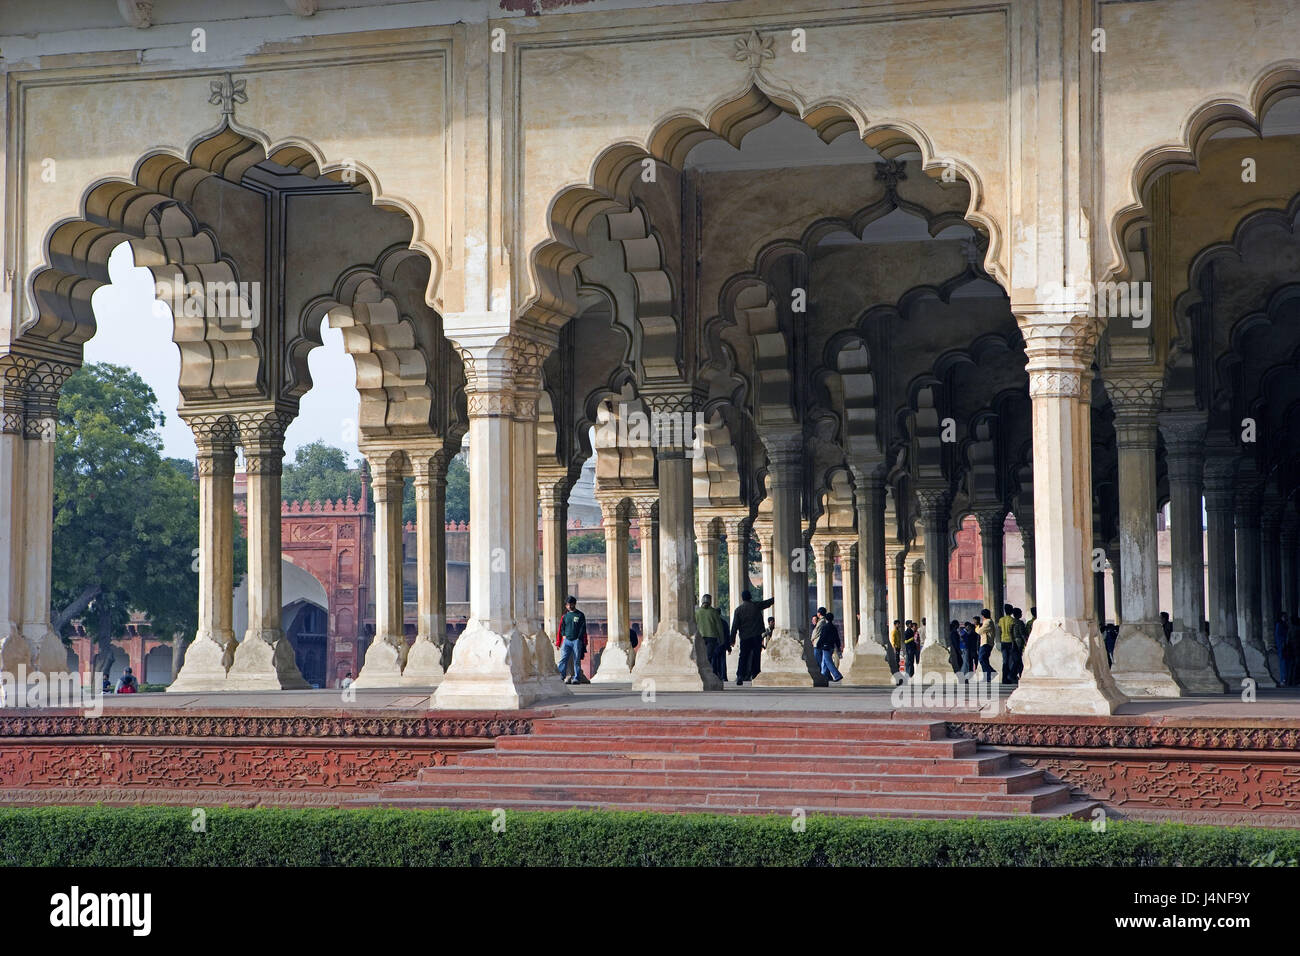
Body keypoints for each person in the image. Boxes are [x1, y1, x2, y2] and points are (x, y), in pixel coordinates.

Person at [730, 589, 774, 684]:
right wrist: (775, 598)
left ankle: (740, 675)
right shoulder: (755, 606)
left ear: (742, 598)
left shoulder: (738, 610)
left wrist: (732, 640)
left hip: (745, 637)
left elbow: (734, 626)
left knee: (743, 656)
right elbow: (766, 603)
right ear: (750, 597)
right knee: (756, 655)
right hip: (756, 635)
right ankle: (755, 674)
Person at [695, 593, 729, 682]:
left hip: (700, 637)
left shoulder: (697, 612)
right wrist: (721, 639)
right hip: (712, 638)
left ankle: (701, 674)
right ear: (710, 601)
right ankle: (709, 673)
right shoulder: (713, 612)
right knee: (709, 657)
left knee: (701, 656)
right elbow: (719, 627)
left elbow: (695, 625)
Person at [556, 595, 587, 684]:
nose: (569, 606)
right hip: (567, 640)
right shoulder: (565, 616)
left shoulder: (580, 615)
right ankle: (561, 675)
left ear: (574, 604)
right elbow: (562, 627)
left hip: (576, 640)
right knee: (563, 658)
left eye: (570, 604)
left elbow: (583, 628)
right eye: (567, 605)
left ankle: (576, 678)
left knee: (576, 660)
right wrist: (563, 636)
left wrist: (579, 638)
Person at [813, 610, 843, 683]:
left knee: (828, 662)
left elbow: (822, 637)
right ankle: (824, 676)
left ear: (826, 619)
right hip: (831, 646)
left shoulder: (825, 627)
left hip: (826, 646)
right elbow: (837, 638)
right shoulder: (833, 627)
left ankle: (837, 675)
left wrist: (819, 644)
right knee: (824, 662)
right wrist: (838, 647)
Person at [997, 603, 1018, 684]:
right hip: (1010, 642)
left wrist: (999, 641)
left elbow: (999, 631)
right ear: (1011, 611)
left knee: (1005, 661)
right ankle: (1010, 677)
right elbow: (1013, 633)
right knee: (1012, 661)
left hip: (1003, 641)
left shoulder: (1001, 620)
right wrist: (1013, 643)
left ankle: (1004, 679)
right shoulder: (1012, 620)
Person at [977, 608, 996, 683]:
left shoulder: (988, 622)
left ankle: (991, 672)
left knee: (982, 659)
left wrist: (977, 626)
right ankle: (987, 676)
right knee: (985, 660)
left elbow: (979, 631)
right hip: (985, 643)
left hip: (986, 643)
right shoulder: (987, 622)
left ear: (983, 616)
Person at [1011, 607, 1028, 681]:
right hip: (1019, 642)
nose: (1021, 614)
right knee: (1018, 659)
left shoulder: (1012, 621)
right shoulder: (1020, 622)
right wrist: (1026, 642)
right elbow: (1022, 634)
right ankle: (1013, 674)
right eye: (1020, 613)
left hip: (1012, 641)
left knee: (1017, 659)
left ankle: (1019, 674)